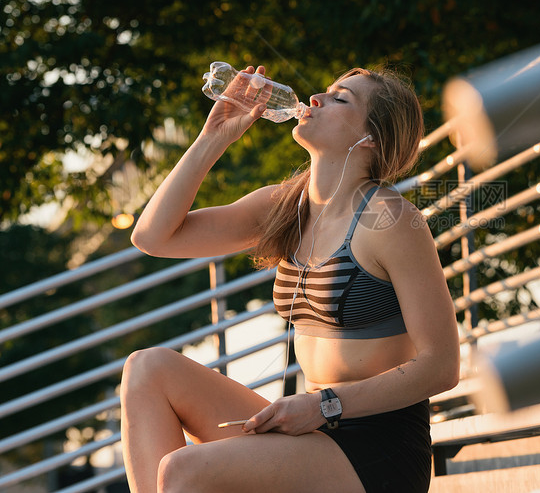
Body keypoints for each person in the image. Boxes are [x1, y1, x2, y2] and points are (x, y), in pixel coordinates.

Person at [121, 65, 461, 493]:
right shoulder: (284, 206)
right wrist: (215, 137)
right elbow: (152, 237)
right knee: (147, 369)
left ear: (370, 138)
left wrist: (324, 405)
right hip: (312, 431)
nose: (316, 98)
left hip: (376, 450)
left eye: (341, 99)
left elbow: (442, 366)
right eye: (326, 90)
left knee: (183, 470)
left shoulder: (389, 219)